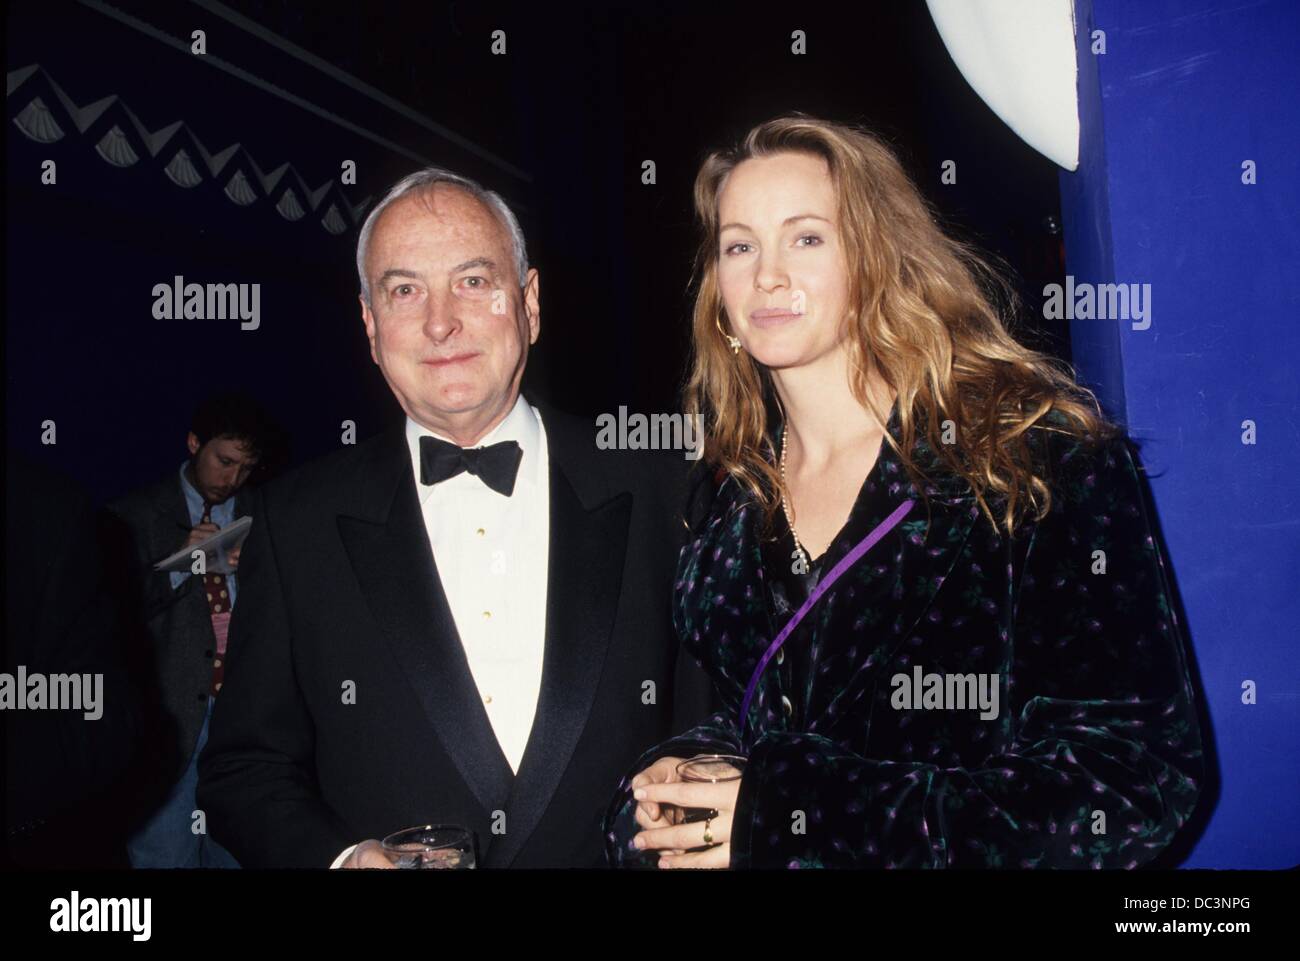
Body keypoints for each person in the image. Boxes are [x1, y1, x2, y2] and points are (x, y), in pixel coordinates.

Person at [603, 115, 1204, 869]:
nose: (767, 275)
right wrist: (681, 787)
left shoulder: (1032, 459)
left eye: (807, 237)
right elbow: (764, 721)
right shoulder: (731, 503)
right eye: (740, 245)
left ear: (877, 256)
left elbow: (1135, 785)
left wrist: (800, 815)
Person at [195, 167, 716, 869]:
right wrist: (343, 858)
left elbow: (722, 723)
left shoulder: (667, 484)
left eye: (473, 281)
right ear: (371, 325)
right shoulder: (294, 521)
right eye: (404, 290)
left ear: (529, 304)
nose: (440, 321)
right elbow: (241, 770)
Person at [108, 391, 281, 868]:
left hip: (248, 720)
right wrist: (180, 566)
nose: (233, 479)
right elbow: (107, 619)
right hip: (167, 726)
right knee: (164, 857)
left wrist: (260, 571)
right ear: (192, 443)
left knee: (239, 856)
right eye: (224, 461)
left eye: (246, 467)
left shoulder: (270, 513)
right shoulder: (132, 516)